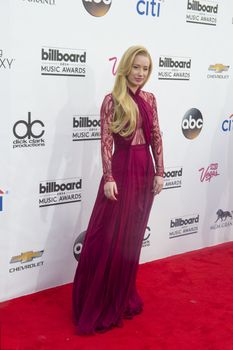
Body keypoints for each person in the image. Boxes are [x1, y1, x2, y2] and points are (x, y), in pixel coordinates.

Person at [72, 45, 164, 335]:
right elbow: (105, 141)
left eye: (145, 68)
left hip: (144, 171)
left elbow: (156, 135)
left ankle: (122, 295)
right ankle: (99, 299)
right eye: (136, 67)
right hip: (121, 173)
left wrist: (160, 171)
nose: (140, 73)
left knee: (130, 239)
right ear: (125, 67)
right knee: (108, 236)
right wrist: (108, 176)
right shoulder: (112, 100)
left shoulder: (150, 98)